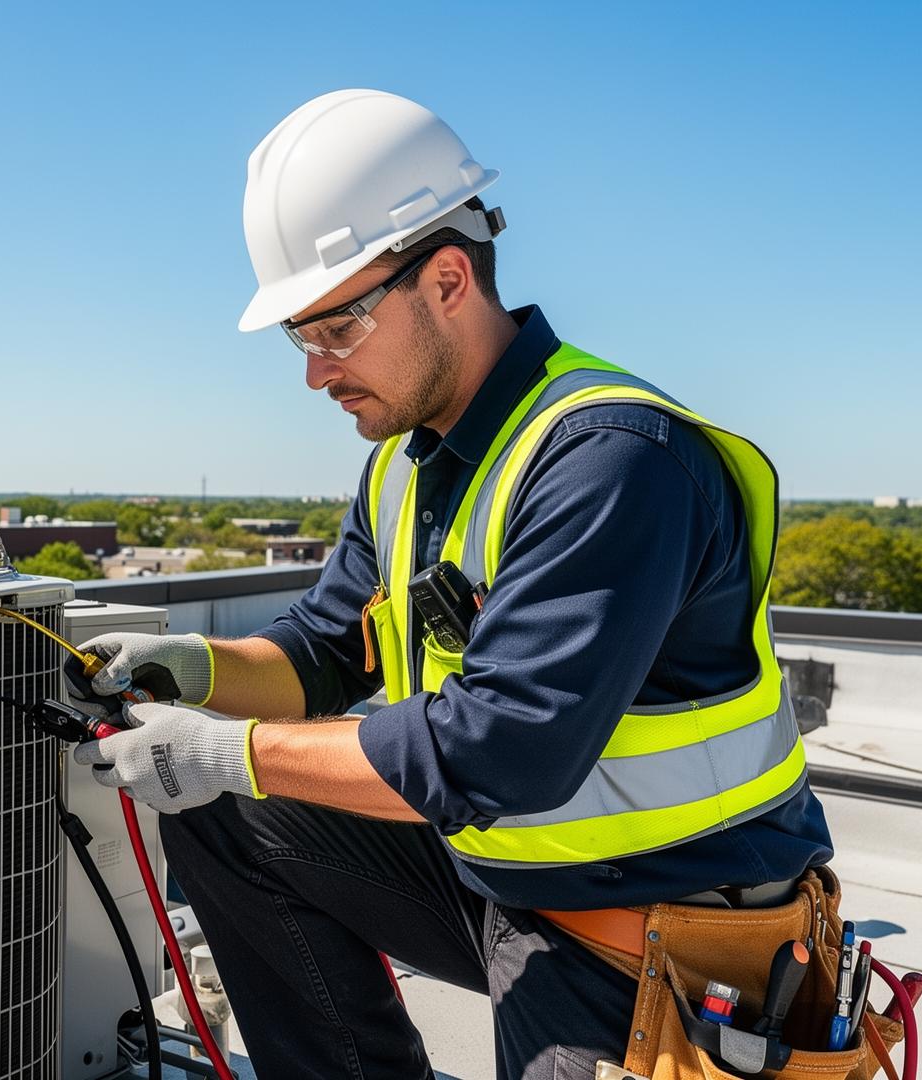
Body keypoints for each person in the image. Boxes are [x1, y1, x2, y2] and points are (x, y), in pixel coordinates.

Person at [66, 89, 833, 1080]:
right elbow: (323, 655)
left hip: (657, 924)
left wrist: (230, 749)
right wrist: (195, 669)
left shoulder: (611, 458)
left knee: (238, 778)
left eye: (334, 330)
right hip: (504, 875)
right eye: (302, 339)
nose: (315, 375)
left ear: (448, 279)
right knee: (226, 817)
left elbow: (503, 751)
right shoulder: (405, 464)